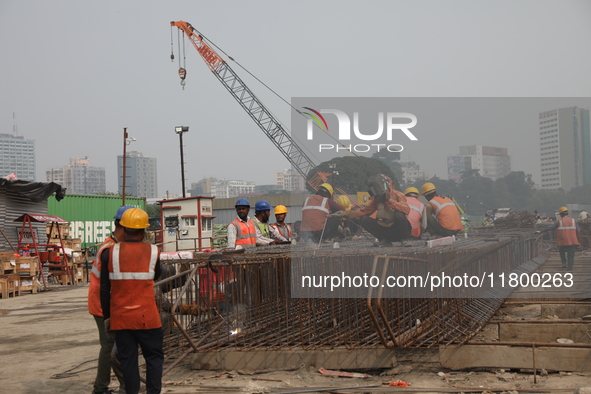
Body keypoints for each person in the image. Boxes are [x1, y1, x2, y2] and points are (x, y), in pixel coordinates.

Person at [100, 208, 163, 394]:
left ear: (123, 228)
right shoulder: (153, 251)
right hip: (148, 318)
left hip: (122, 319)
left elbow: (104, 289)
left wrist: (107, 317)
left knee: (128, 361)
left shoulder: (109, 253)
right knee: (154, 358)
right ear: (144, 231)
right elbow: (156, 275)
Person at [88, 206, 133, 394]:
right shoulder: (109, 249)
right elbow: (109, 286)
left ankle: (121, 385)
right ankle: (102, 388)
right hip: (102, 304)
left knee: (114, 345)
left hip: (107, 303)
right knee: (110, 346)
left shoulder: (115, 246)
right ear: (123, 227)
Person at [339, 174, 411, 247]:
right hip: (386, 229)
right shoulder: (376, 200)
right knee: (364, 218)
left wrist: (389, 201)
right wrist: (346, 214)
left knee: (399, 215)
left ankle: (404, 239)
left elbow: (406, 209)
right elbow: (365, 211)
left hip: (398, 230)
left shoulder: (398, 195)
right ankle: (384, 240)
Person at [536, 206, 580, 271]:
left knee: (561, 251)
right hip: (573, 241)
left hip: (563, 241)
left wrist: (540, 232)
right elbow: (578, 231)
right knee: (571, 255)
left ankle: (564, 263)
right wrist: (578, 241)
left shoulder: (559, 221)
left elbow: (550, 228)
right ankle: (570, 268)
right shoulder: (574, 220)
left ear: (561, 214)